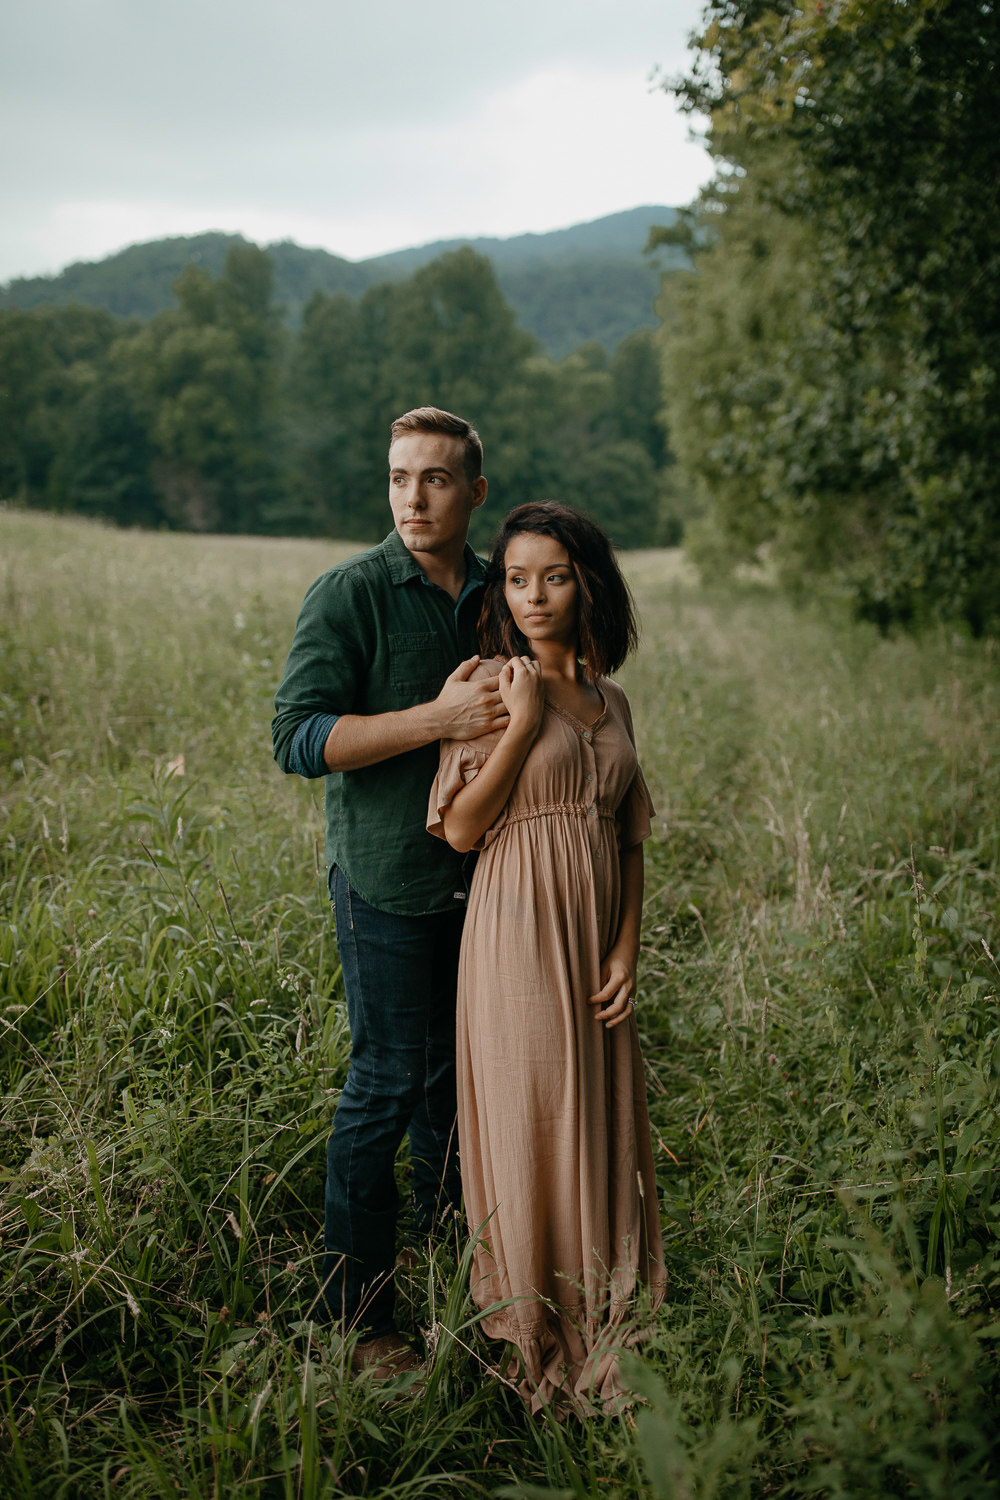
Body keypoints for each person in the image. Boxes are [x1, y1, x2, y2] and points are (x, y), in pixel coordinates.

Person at [271, 407, 510, 1378]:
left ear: (474, 493)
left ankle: (458, 1261)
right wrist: (436, 718)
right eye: (399, 478)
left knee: (460, 1085)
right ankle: (361, 1317)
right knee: (387, 1080)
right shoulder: (349, 595)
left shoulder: (505, 589)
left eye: (437, 479)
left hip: (493, 884)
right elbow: (298, 738)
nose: (414, 498)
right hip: (386, 879)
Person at [427, 501, 666, 1414]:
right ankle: (531, 1330)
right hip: (516, 930)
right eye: (516, 578)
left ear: (587, 583)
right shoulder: (490, 685)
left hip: (596, 941)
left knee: (594, 1111)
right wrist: (521, 727)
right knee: (534, 1116)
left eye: (554, 576)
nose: (533, 595)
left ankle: (601, 1311)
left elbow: (632, 836)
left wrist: (627, 948)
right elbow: (459, 829)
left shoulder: (614, 701)